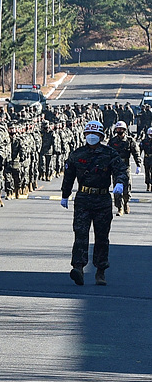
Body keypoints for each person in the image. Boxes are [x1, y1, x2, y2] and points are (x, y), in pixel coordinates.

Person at [61, 120, 128, 286]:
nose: (91, 137)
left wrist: (119, 183)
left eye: (95, 134)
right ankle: (78, 268)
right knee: (80, 234)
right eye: (88, 134)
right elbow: (69, 175)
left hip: (102, 199)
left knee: (102, 237)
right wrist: (65, 195)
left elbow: (121, 170)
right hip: (83, 198)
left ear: (101, 136)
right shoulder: (77, 154)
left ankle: (100, 271)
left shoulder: (110, 153)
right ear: (84, 135)